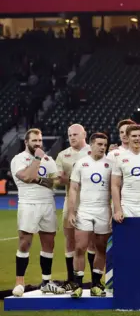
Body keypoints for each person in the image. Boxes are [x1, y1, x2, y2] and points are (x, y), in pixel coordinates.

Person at [11, 128, 65, 297]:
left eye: (40, 140)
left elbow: (56, 182)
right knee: (24, 243)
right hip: (29, 204)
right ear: (26, 142)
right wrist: (36, 159)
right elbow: (26, 177)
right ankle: (20, 282)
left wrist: (40, 179)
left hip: (48, 203)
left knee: (49, 243)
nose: (38, 143)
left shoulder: (48, 160)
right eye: (34, 140)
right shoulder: (18, 159)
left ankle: (46, 282)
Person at [67, 133, 113, 298]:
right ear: (92, 144)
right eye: (99, 144)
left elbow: (115, 189)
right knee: (80, 247)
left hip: (103, 210)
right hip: (85, 210)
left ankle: (96, 284)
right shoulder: (81, 164)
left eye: (105, 144)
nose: (102, 147)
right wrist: (72, 211)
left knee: (101, 248)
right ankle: (78, 285)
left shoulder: (110, 164)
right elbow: (73, 189)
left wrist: (113, 210)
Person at [55, 124, 91, 291]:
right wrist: (60, 179)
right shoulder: (63, 155)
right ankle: (71, 278)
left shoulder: (93, 151)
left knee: (93, 243)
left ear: (84, 134)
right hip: (70, 202)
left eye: (76, 134)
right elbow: (57, 181)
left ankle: (94, 279)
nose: (72, 137)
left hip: (91, 202)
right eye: (70, 135)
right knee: (70, 240)